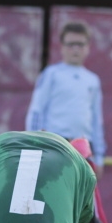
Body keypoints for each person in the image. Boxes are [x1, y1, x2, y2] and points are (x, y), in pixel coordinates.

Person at [25, 22, 106, 179]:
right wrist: (33, 144)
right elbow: (36, 110)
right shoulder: (51, 74)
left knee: (81, 196)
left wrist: (100, 157)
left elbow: (97, 120)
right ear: (62, 47)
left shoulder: (93, 80)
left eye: (80, 44)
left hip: (83, 147)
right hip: (54, 144)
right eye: (71, 44)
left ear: (88, 47)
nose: (75, 49)